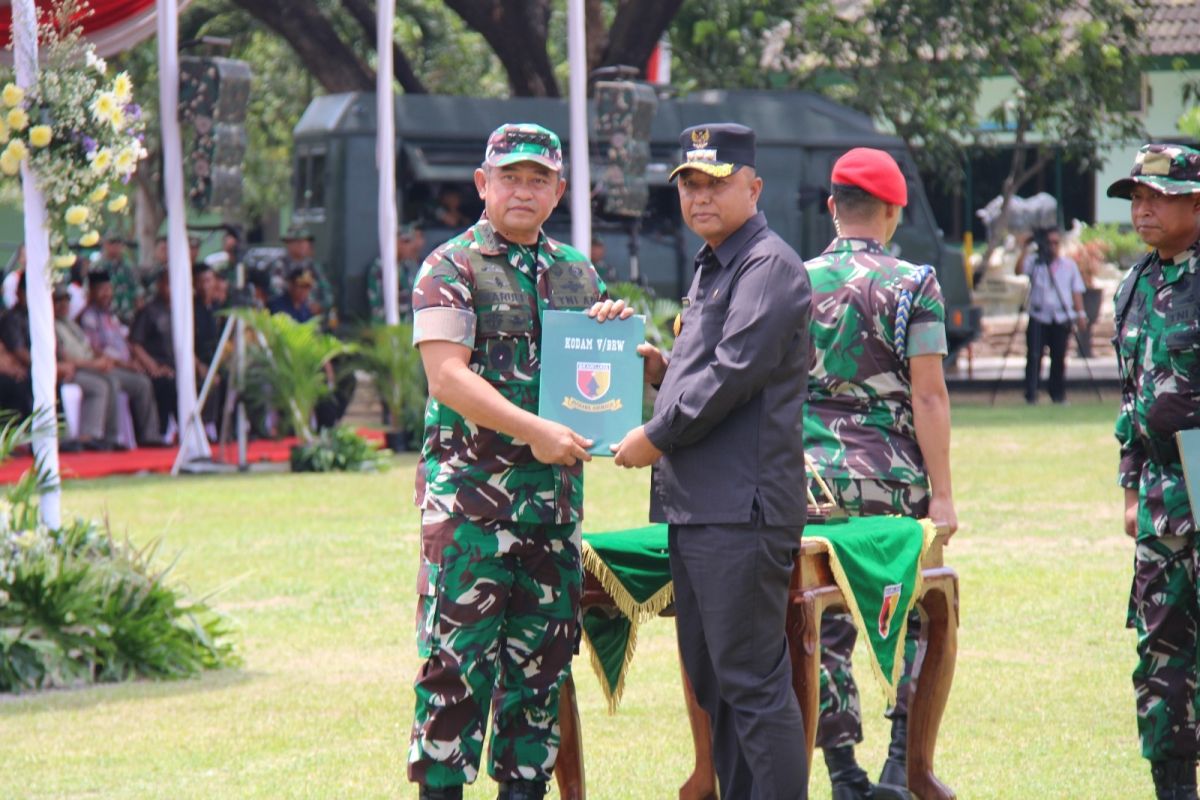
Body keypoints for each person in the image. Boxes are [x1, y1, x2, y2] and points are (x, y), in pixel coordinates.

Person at [407, 122, 624, 800]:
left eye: (538, 179)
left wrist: (618, 340)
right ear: (483, 184)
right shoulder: (450, 266)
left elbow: (597, 385)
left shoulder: (577, 273)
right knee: (455, 673)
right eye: (510, 177)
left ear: (558, 190)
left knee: (541, 679)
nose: (523, 190)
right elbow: (447, 377)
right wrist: (532, 430)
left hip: (553, 511)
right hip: (471, 508)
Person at [610, 123, 812, 799]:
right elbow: (711, 373)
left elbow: (734, 373)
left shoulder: (768, 266)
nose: (699, 196)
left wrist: (656, 434)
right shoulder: (714, 264)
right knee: (713, 678)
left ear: (753, 187)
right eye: (689, 184)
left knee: (751, 681)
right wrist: (659, 372)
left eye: (716, 182)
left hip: (742, 510)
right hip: (700, 507)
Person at [802, 148, 958, 800]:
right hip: (894, 488)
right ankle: (900, 766)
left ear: (832, 206)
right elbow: (928, 396)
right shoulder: (915, 284)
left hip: (809, 485)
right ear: (893, 211)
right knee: (913, 617)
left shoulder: (790, 278)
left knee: (821, 628)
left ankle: (842, 772)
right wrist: (944, 496)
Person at [1108, 143, 1200, 800]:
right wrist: (1130, 480)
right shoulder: (1134, 286)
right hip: (1165, 495)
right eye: (1136, 197)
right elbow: (1130, 395)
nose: (1143, 209)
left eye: (1158, 196)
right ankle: (1172, 785)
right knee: (1161, 647)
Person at [77, 270, 163, 446]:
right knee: (115, 382)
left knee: (144, 383)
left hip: (123, 365)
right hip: (106, 367)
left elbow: (125, 339)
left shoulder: (110, 315)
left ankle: (149, 436)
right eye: (102, 290)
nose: (107, 294)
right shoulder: (88, 316)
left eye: (109, 289)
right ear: (92, 291)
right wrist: (126, 364)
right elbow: (95, 350)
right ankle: (111, 437)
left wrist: (136, 360)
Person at [1015, 227, 1086, 404]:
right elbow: (1018, 270)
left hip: (1061, 317)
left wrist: (1080, 314)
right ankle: (1031, 394)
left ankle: (1057, 394)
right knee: (1034, 356)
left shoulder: (1069, 265)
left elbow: (1076, 291)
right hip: (1039, 316)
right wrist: (1025, 248)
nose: (1052, 247)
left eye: (1056, 243)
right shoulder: (1035, 263)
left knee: (1059, 357)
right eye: (1049, 243)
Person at [129, 270, 179, 439]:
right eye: (168, 284)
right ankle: (161, 431)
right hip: (155, 365)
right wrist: (153, 366)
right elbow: (135, 344)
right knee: (165, 383)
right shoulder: (149, 311)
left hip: (174, 364)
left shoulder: (179, 310)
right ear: (160, 286)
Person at [268, 223, 333, 319]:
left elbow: (326, 291)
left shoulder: (313, 266)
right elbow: (275, 291)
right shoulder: (279, 265)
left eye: (305, 241)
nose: (302, 245)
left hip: (312, 316)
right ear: (288, 244)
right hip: (287, 315)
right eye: (297, 242)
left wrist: (321, 305)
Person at [367, 223, 425, 323]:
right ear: (394, 242)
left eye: (411, 242)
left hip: (409, 325)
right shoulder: (381, 268)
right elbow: (378, 306)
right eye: (405, 242)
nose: (410, 246)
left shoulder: (407, 265)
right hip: (387, 325)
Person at [90, 230, 142, 324]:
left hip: (129, 318)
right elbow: (91, 296)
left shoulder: (128, 268)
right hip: (105, 319)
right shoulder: (98, 268)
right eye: (112, 242)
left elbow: (137, 295)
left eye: (118, 243)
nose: (115, 246)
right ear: (105, 244)